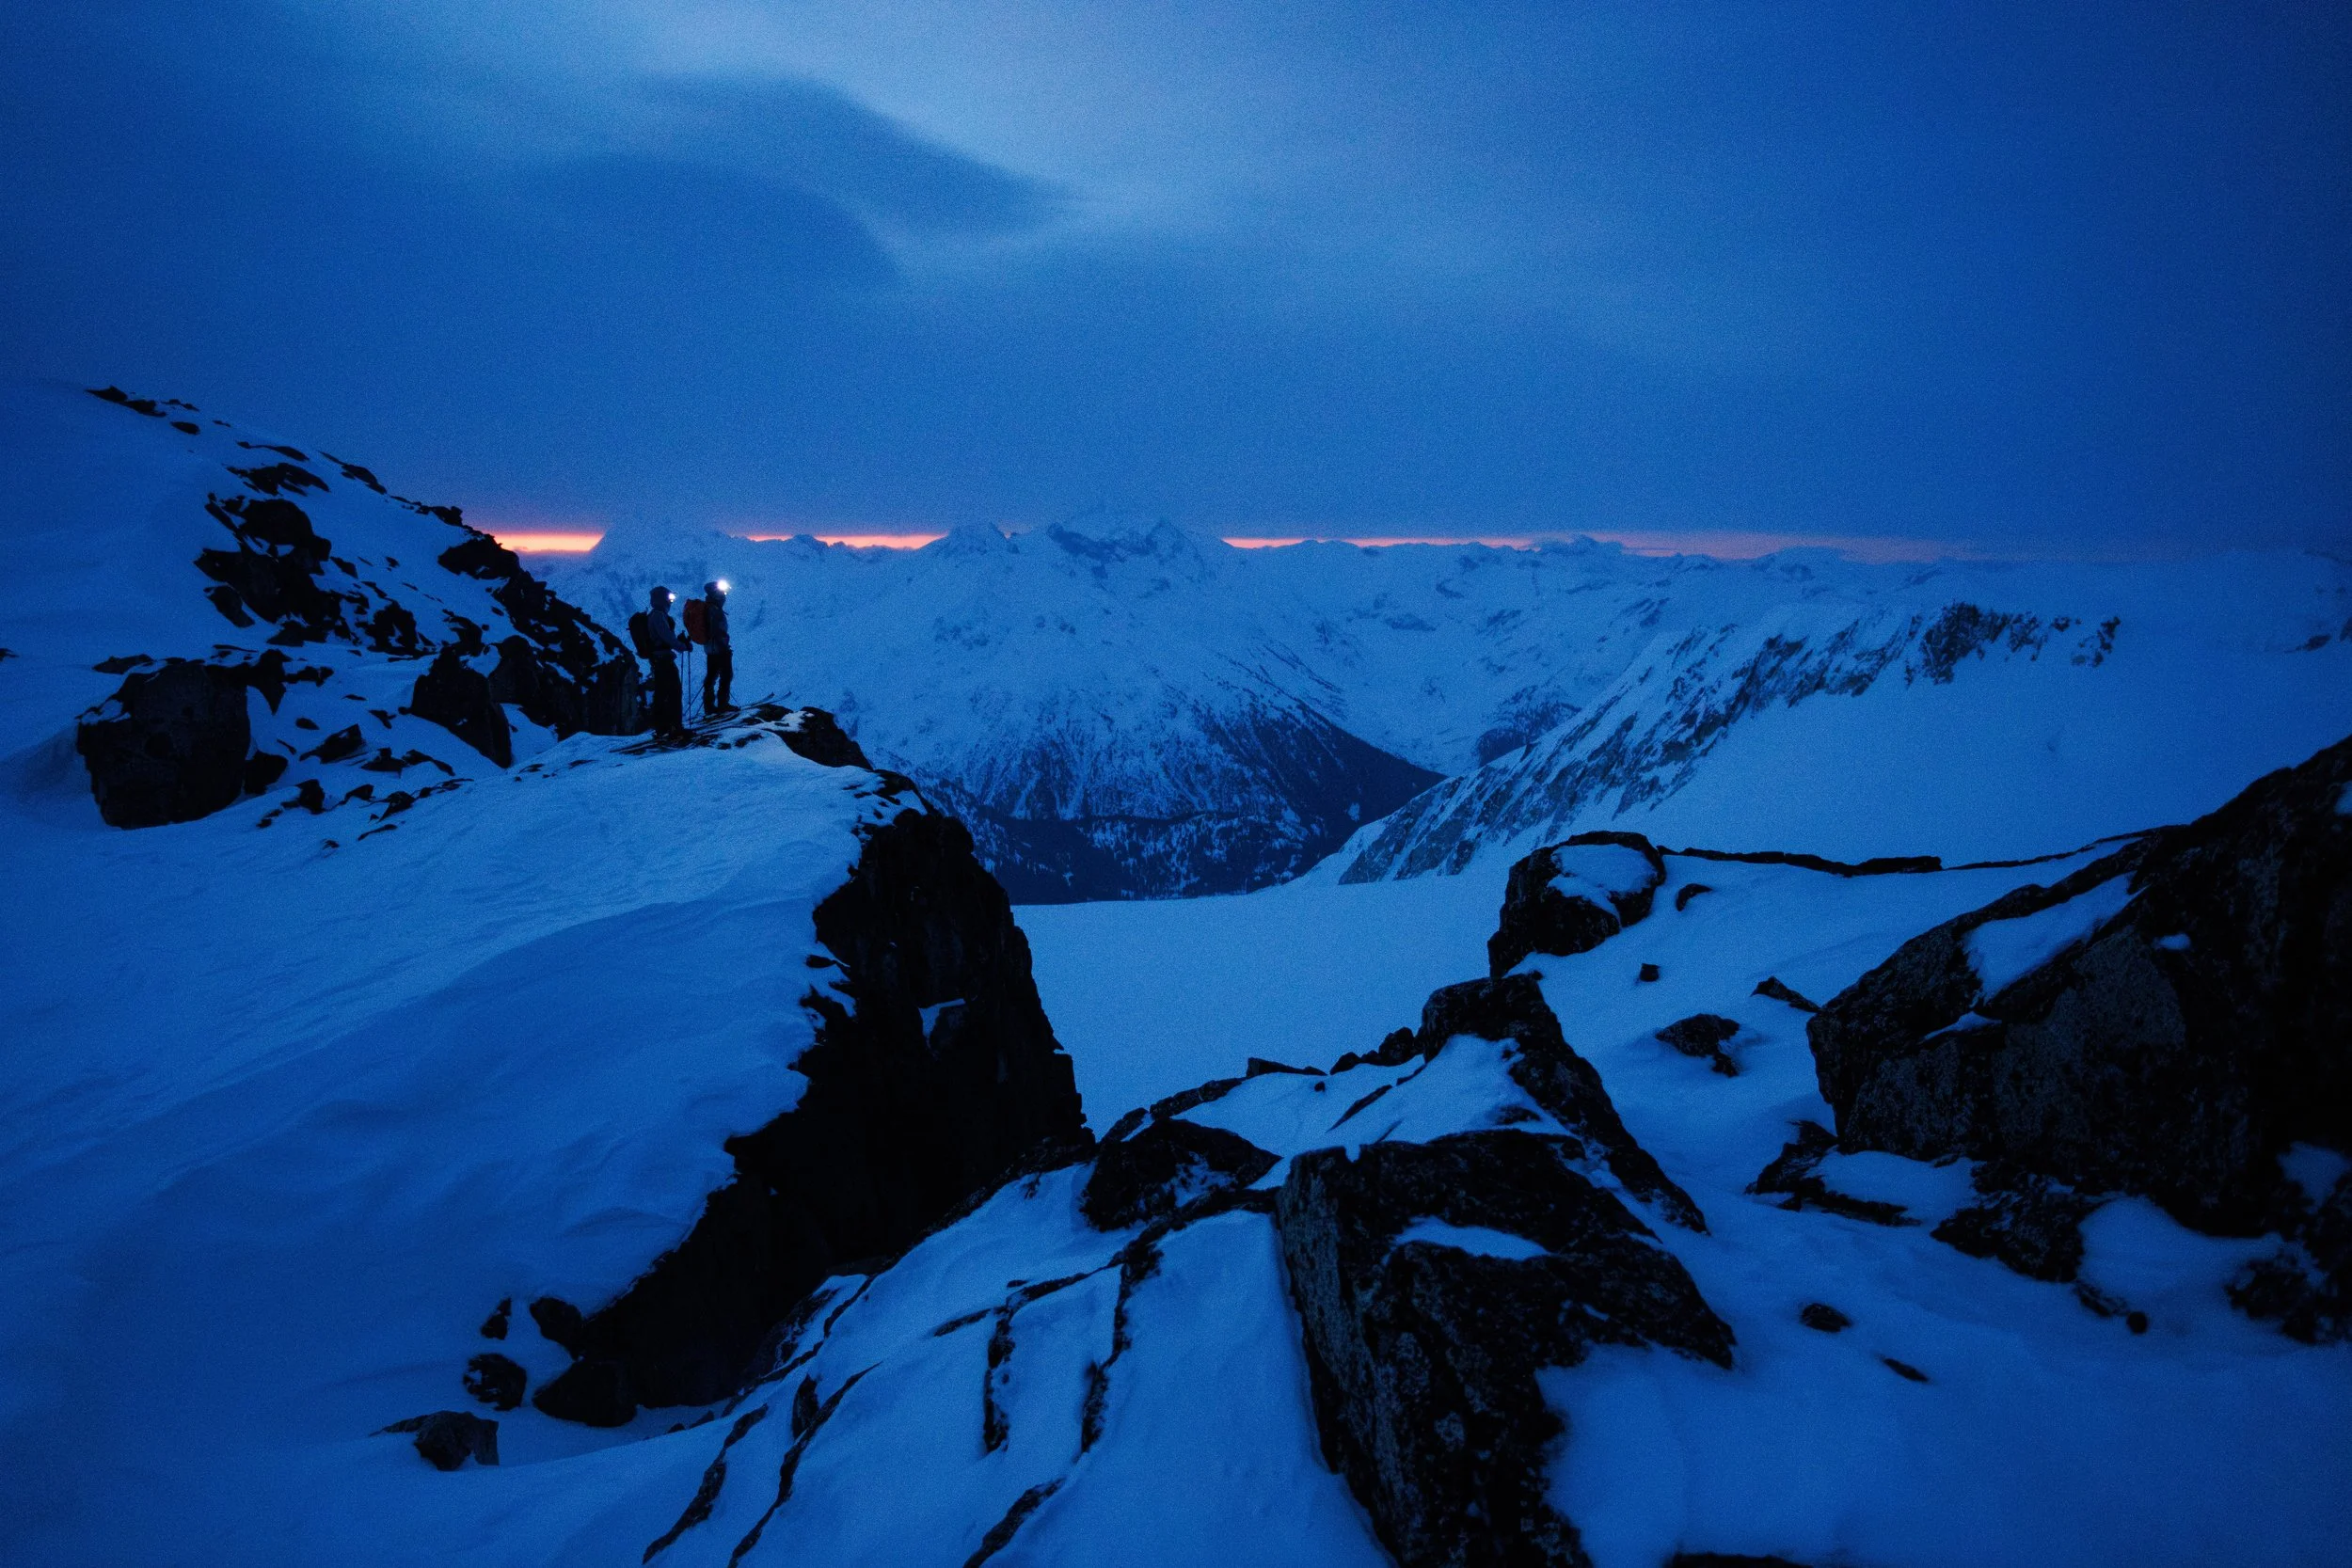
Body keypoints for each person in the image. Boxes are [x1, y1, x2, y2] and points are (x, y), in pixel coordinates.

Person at [630, 584, 691, 737]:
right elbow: (667, 637)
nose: (670, 601)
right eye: (669, 598)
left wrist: (678, 643)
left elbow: (663, 638)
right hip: (663, 660)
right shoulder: (658, 616)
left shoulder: (653, 615)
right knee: (674, 692)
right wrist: (683, 646)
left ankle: (662, 727)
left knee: (662, 693)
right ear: (662, 600)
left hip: (657, 660)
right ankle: (675, 727)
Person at [693, 579, 734, 716]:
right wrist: (724, 646)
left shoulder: (708, 608)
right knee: (726, 675)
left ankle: (709, 706)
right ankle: (723, 704)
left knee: (711, 676)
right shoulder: (714, 610)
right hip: (720, 648)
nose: (724, 594)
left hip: (710, 649)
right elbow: (716, 630)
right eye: (721, 592)